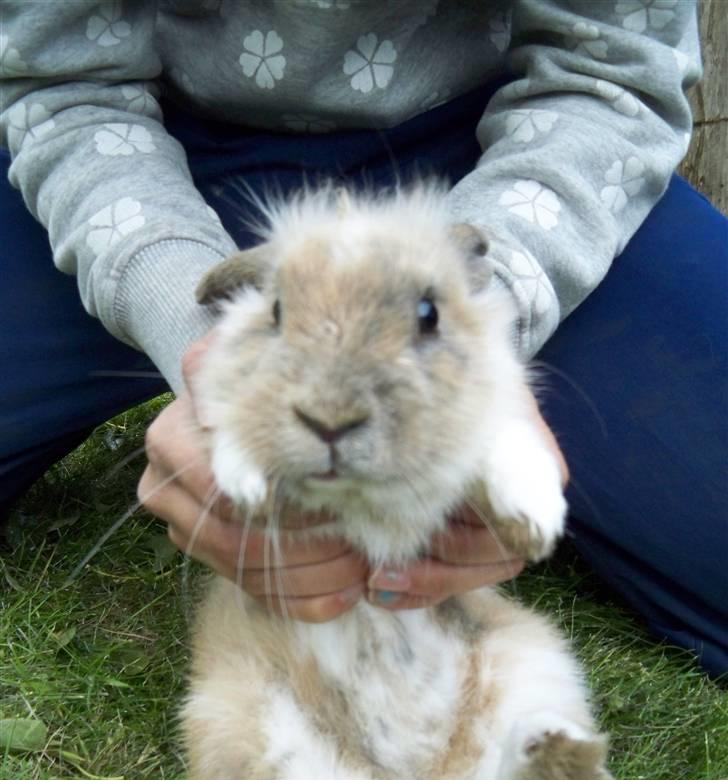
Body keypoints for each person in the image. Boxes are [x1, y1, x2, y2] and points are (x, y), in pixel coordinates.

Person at [1, 1, 726, 675]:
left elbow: (611, 73)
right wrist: (214, 350)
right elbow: (61, 76)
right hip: (146, 142)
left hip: (489, 149)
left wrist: (468, 319)